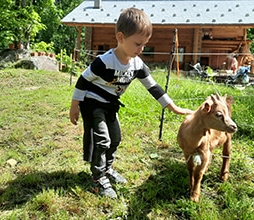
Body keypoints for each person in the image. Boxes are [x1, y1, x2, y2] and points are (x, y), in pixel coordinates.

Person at [69, 7, 193, 199]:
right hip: (92, 103)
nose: (141, 49)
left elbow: (153, 87)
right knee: (102, 140)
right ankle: (97, 179)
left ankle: (107, 169)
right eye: (137, 44)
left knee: (115, 138)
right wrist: (74, 106)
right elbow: (83, 80)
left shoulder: (137, 65)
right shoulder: (105, 62)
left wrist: (173, 107)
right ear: (120, 37)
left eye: (144, 45)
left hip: (111, 104)